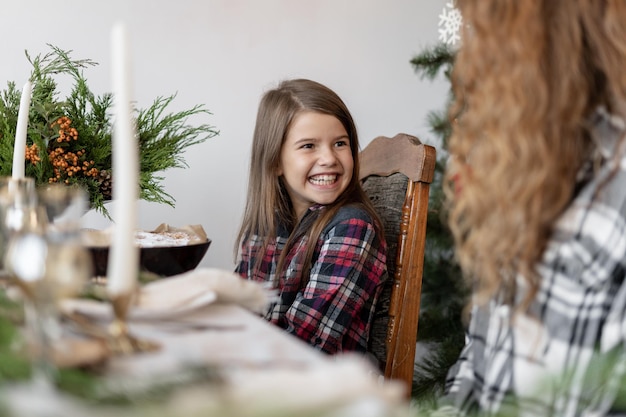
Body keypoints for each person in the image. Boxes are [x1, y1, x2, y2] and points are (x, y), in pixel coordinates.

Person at [436, 1, 626, 416]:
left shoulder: (615, 196)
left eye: (482, 27)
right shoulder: (524, 170)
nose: (469, 51)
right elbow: (475, 361)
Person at [234, 78, 387, 356]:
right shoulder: (265, 226)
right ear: (275, 161)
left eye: (340, 143)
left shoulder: (352, 227)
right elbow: (239, 314)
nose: (329, 158)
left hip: (319, 386)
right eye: (308, 146)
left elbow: (304, 345)